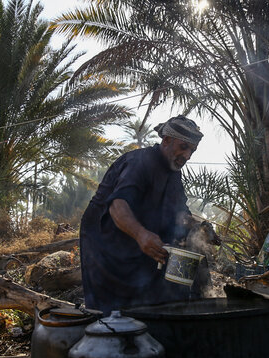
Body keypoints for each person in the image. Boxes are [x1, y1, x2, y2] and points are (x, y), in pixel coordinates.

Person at [80, 115, 205, 314]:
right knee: (111, 309)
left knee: (166, 292)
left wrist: (200, 228)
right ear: (166, 140)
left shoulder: (174, 172)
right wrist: (142, 235)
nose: (188, 155)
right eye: (183, 147)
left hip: (140, 240)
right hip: (106, 242)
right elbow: (117, 205)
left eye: (192, 150)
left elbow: (181, 213)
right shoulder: (140, 162)